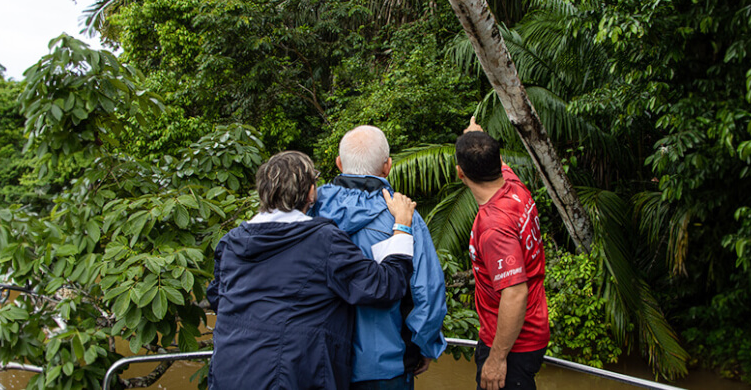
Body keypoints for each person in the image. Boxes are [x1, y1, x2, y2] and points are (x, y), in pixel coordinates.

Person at [207, 151, 418, 390]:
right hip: (293, 376)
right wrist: (402, 226)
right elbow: (383, 286)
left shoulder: (231, 242)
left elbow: (217, 297)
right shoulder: (322, 240)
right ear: (310, 192)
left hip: (229, 372)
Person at [311, 125, 447, 389]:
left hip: (320, 362)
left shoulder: (309, 211)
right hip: (385, 364)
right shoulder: (404, 216)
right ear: (387, 166)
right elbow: (427, 293)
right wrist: (425, 347)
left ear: (339, 163)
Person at [455, 118, 549, 390]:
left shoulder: (494, 226)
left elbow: (515, 292)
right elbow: (486, 156)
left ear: (461, 173)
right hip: (530, 330)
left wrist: (496, 359)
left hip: (512, 345)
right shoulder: (512, 185)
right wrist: (475, 135)